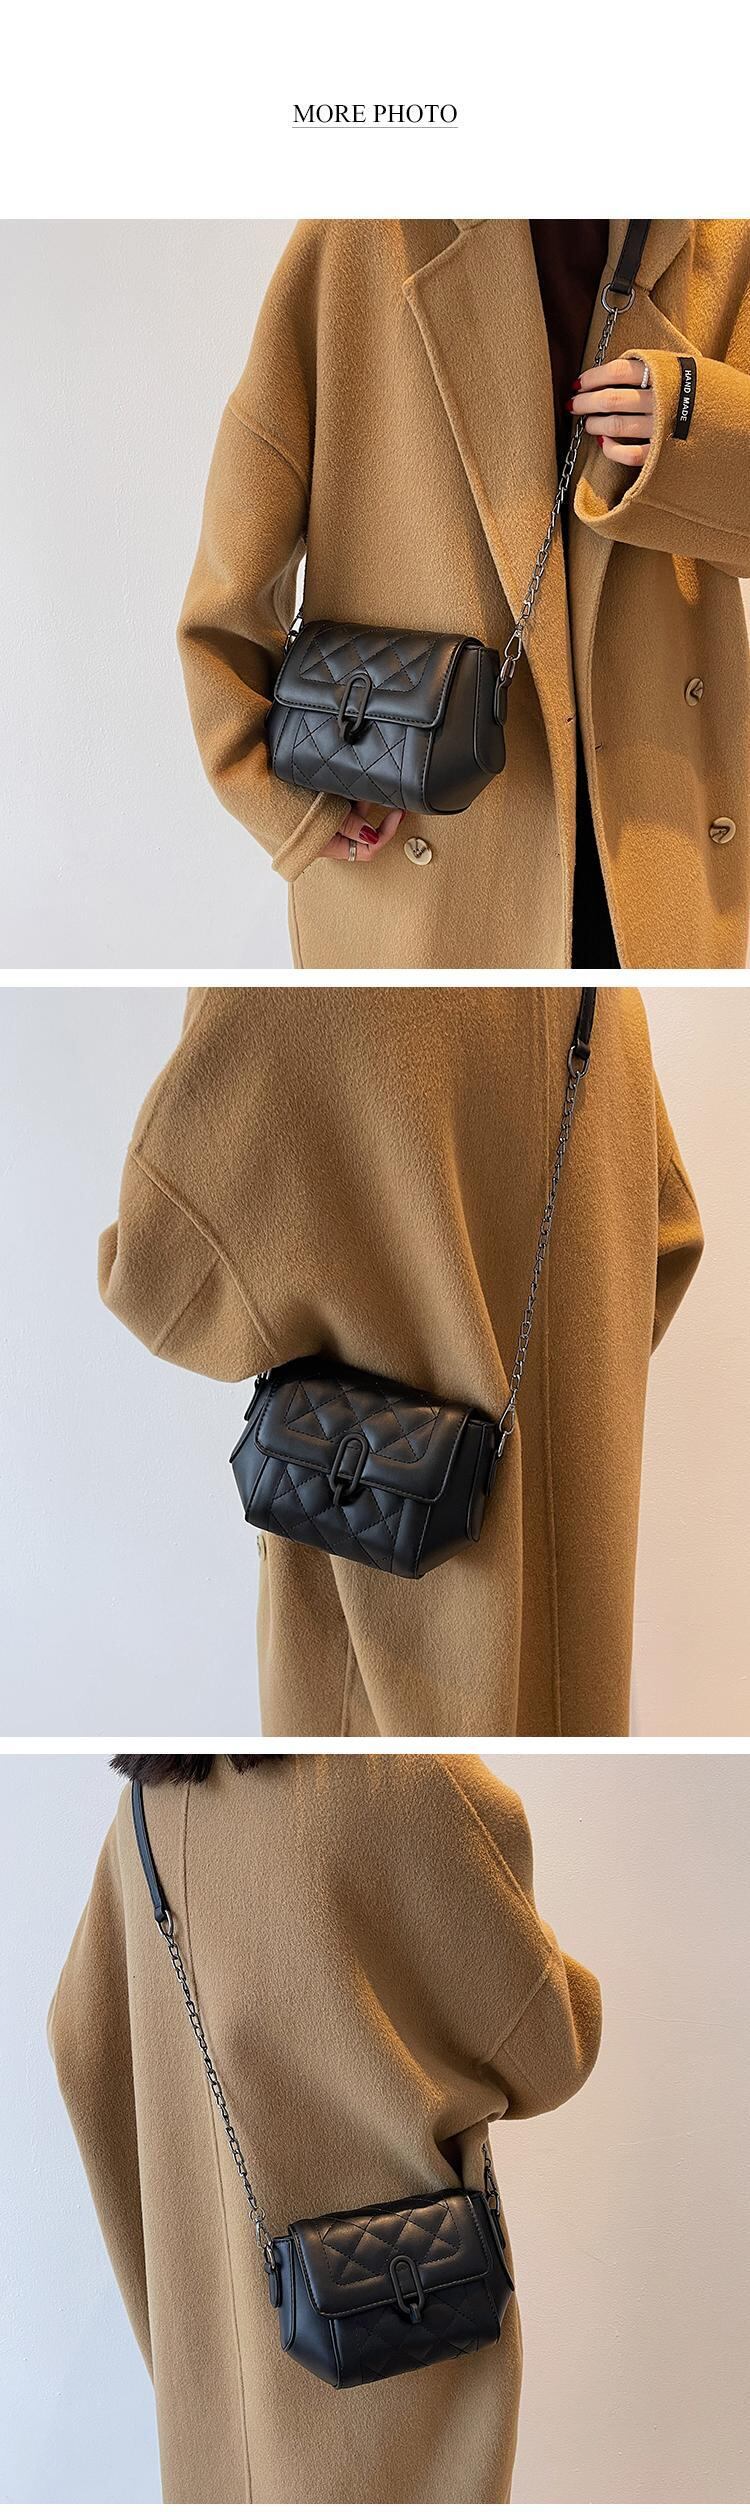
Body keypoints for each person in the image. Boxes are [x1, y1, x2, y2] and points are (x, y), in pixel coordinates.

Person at [98, 985, 703, 1735]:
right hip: (581, 1592)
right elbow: (670, 1239)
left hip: (389, 1645)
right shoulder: (606, 1004)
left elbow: (157, 1279)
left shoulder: (294, 1003)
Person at [177, 219, 750, 971]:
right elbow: (232, 574)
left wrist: (694, 420)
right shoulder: (362, 236)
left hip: (650, 834)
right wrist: (275, 794)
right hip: (425, 837)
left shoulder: (718, 237)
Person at [49, 1753, 602, 2505]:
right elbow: (552, 2050)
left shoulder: (144, 1815)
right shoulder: (406, 1780)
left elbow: (81, 2048)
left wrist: (187, 2300)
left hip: (221, 2411)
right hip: (401, 2392)